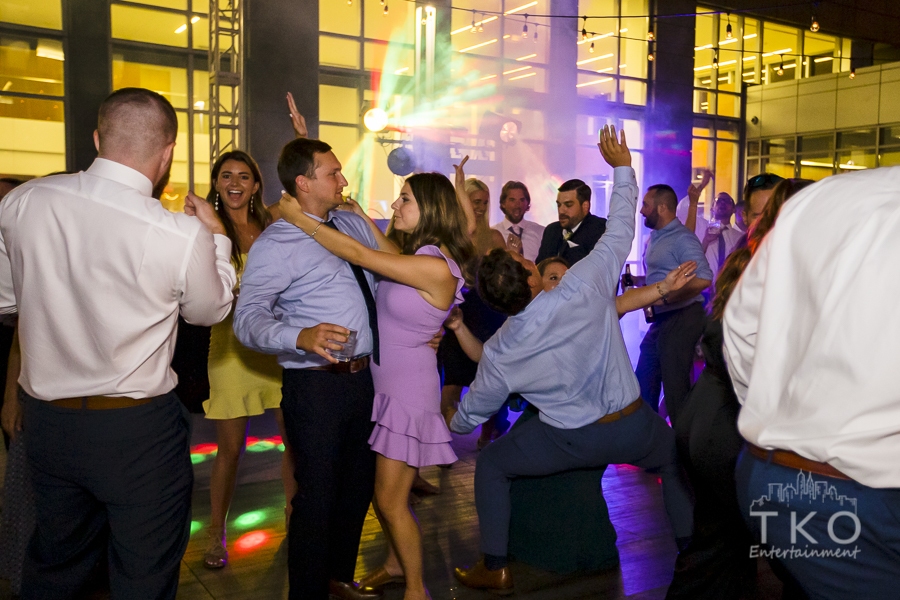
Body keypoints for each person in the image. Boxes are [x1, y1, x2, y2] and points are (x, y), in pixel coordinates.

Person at [0, 87, 236, 599]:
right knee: (143, 575)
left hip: (49, 424)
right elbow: (210, 310)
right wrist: (217, 237)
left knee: (57, 565)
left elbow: (7, 300)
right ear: (167, 152)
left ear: (97, 138)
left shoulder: (23, 202)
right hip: (136, 430)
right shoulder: (180, 233)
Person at [446, 126, 693, 594]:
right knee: (672, 463)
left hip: (570, 440)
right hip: (633, 425)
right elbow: (620, 229)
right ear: (532, 276)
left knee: (492, 464)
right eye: (525, 262)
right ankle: (691, 555)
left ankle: (495, 567)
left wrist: (452, 420)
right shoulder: (583, 283)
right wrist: (623, 167)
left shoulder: (501, 348)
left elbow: (473, 415)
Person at [277, 159, 474, 600]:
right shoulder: (418, 258)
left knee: (389, 500)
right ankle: (395, 565)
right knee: (383, 496)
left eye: (405, 199)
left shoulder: (437, 268)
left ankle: (417, 590)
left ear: (431, 209)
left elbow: (363, 256)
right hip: (385, 386)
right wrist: (362, 217)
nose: (396, 205)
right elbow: (384, 255)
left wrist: (300, 219)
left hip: (406, 392)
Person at [724, 168, 900, 599]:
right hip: (868, 492)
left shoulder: (825, 197)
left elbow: (741, 329)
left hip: (777, 477)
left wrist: (777, 415)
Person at [233, 138, 381, 600]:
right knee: (317, 497)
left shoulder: (350, 224)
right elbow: (246, 318)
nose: (343, 179)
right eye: (332, 173)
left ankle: (338, 578)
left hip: (365, 380)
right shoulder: (277, 243)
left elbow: (383, 280)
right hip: (315, 386)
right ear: (303, 182)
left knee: (358, 488)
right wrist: (299, 336)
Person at [666, 178, 812, 600]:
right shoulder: (776, 268)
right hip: (728, 426)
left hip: (709, 416)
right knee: (796, 557)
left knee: (721, 549)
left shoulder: (752, 259)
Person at [200, 150, 297, 569]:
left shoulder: (271, 222)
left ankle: (295, 520)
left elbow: (303, 186)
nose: (235, 183)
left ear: (256, 184)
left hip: (275, 346)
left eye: (244, 176)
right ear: (216, 183)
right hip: (231, 349)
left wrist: (301, 138)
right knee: (229, 450)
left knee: (294, 441)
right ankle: (215, 534)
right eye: (227, 176)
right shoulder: (206, 228)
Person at [438, 177, 507, 451]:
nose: (480, 207)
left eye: (484, 202)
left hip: (489, 313)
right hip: (459, 311)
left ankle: (487, 436)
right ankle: (443, 441)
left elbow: (503, 279)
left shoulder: (495, 237)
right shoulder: (450, 237)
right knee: (452, 381)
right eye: (475, 201)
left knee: (488, 379)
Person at [635, 184, 713, 425]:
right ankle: (649, 438)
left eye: (646, 205)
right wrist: (640, 283)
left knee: (675, 389)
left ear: (662, 207)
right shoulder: (658, 236)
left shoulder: (681, 238)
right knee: (644, 379)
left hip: (682, 316)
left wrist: (666, 297)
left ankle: (683, 444)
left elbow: (704, 278)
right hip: (662, 318)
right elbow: (664, 275)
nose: (641, 210)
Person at [535, 179, 607, 265]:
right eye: (559, 205)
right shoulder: (551, 230)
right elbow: (540, 266)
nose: (561, 211)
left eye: (568, 205)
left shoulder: (600, 229)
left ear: (585, 206)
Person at [491, 181, 544, 261]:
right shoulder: (493, 234)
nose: (517, 205)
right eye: (512, 200)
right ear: (503, 204)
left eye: (522, 200)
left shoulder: (540, 232)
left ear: (527, 203)